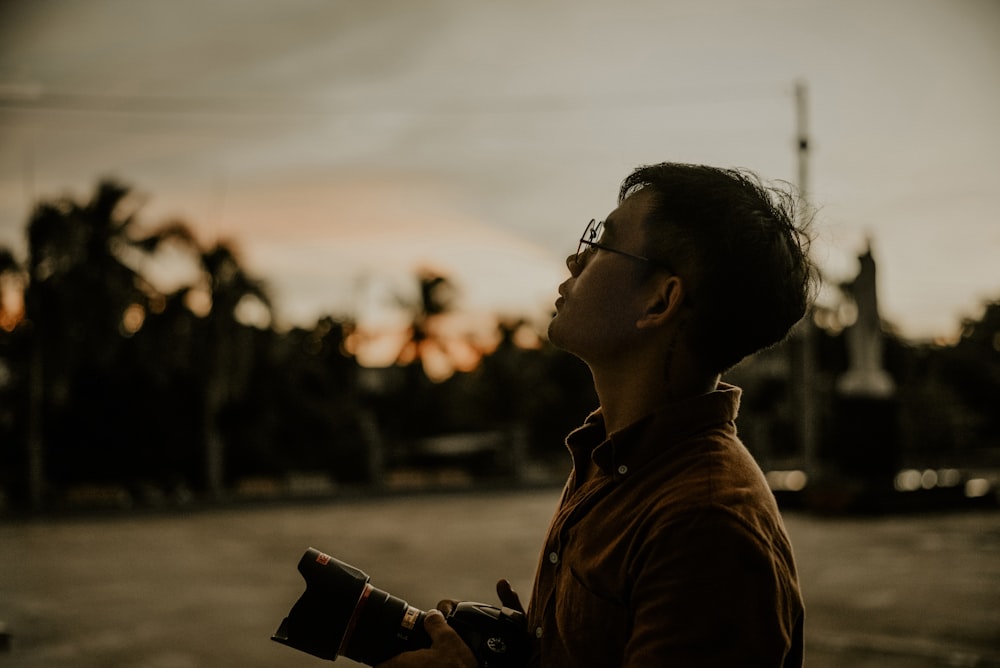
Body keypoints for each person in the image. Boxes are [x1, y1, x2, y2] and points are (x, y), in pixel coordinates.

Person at [379, 162, 815, 667]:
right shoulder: (611, 458)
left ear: (660, 300)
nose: (573, 260)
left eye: (602, 243)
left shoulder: (705, 525)